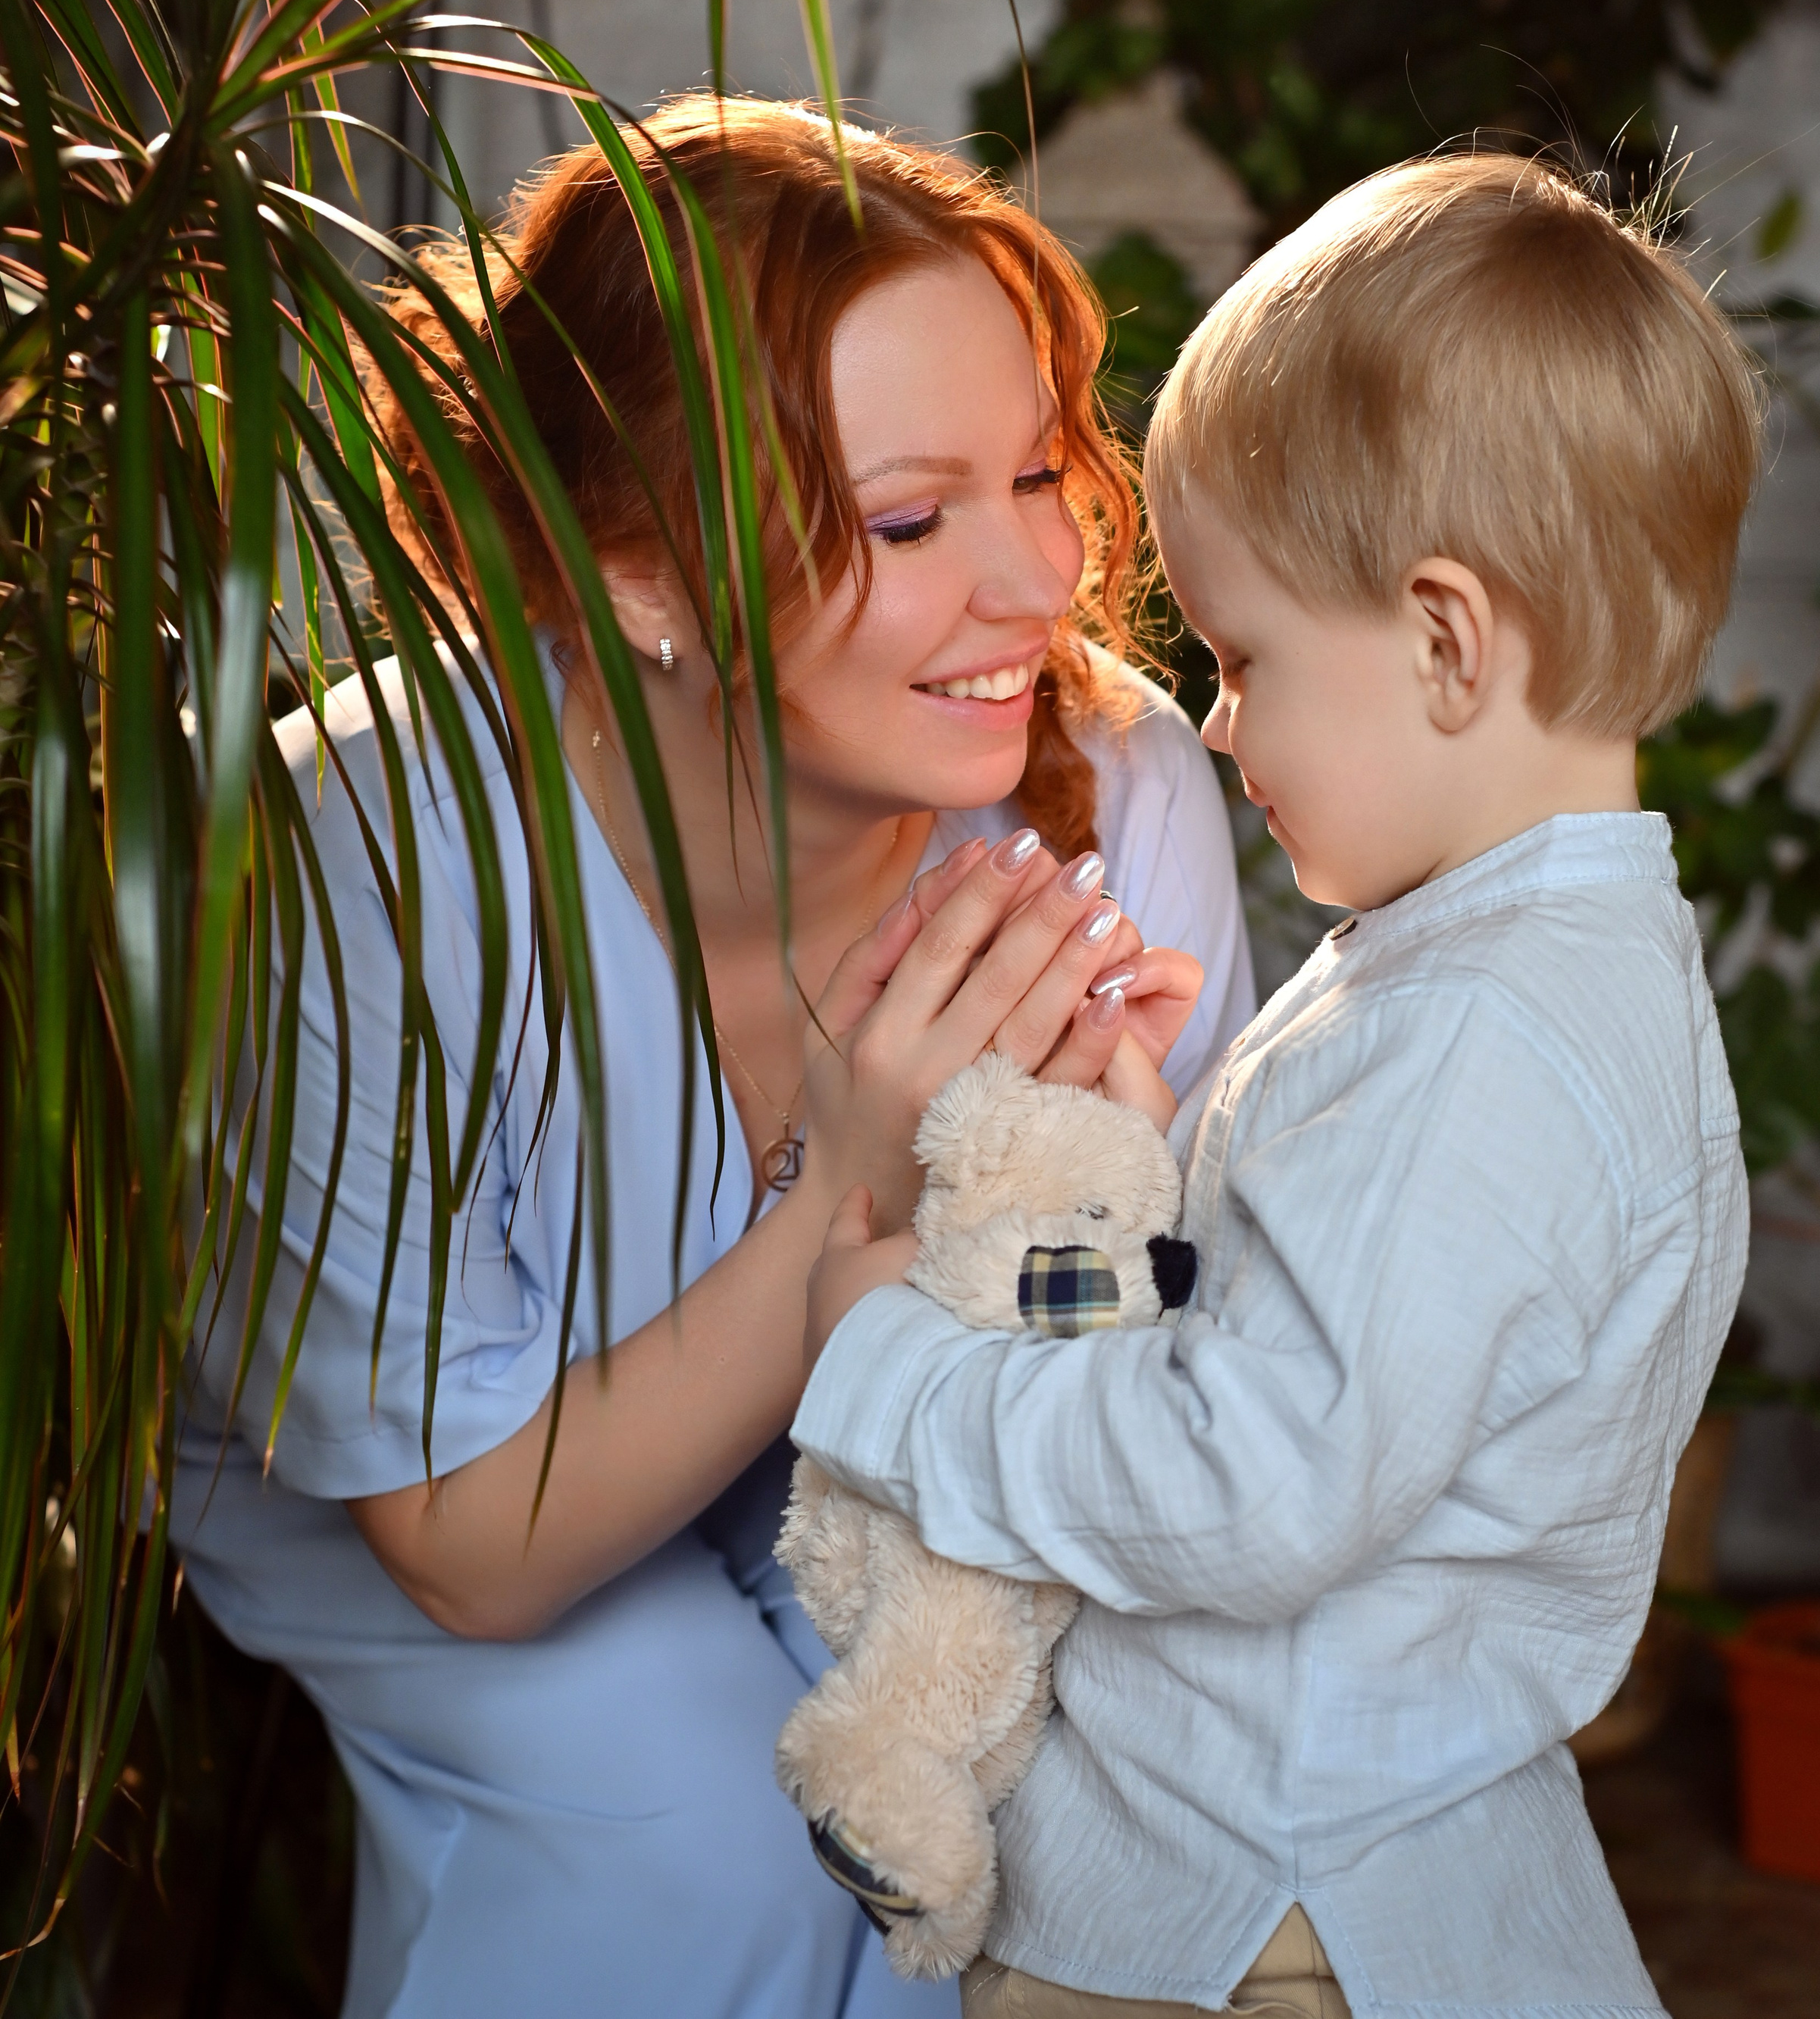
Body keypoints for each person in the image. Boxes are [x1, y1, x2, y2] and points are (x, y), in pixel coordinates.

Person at [170, 98, 1254, 2019]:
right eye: (912, 520)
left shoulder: (1120, 787)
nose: (1033, 584)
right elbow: (467, 1553)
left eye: (1038, 472)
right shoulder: (364, 847)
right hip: (438, 1498)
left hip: (900, 1476)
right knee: (701, 1846)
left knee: (1015, 1847)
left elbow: (1156, 1379)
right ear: (644, 582)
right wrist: (854, 1173)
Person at [793, 153, 1762, 2019]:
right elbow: (1343, 1351)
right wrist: (1163, 1148)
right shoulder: (1503, 968)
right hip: (1293, 1867)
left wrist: (905, 1379)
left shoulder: (1483, 1039)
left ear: (1447, 640)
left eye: (1245, 659)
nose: (1213, 720)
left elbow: (1254, 1490)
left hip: (1251, 1915)